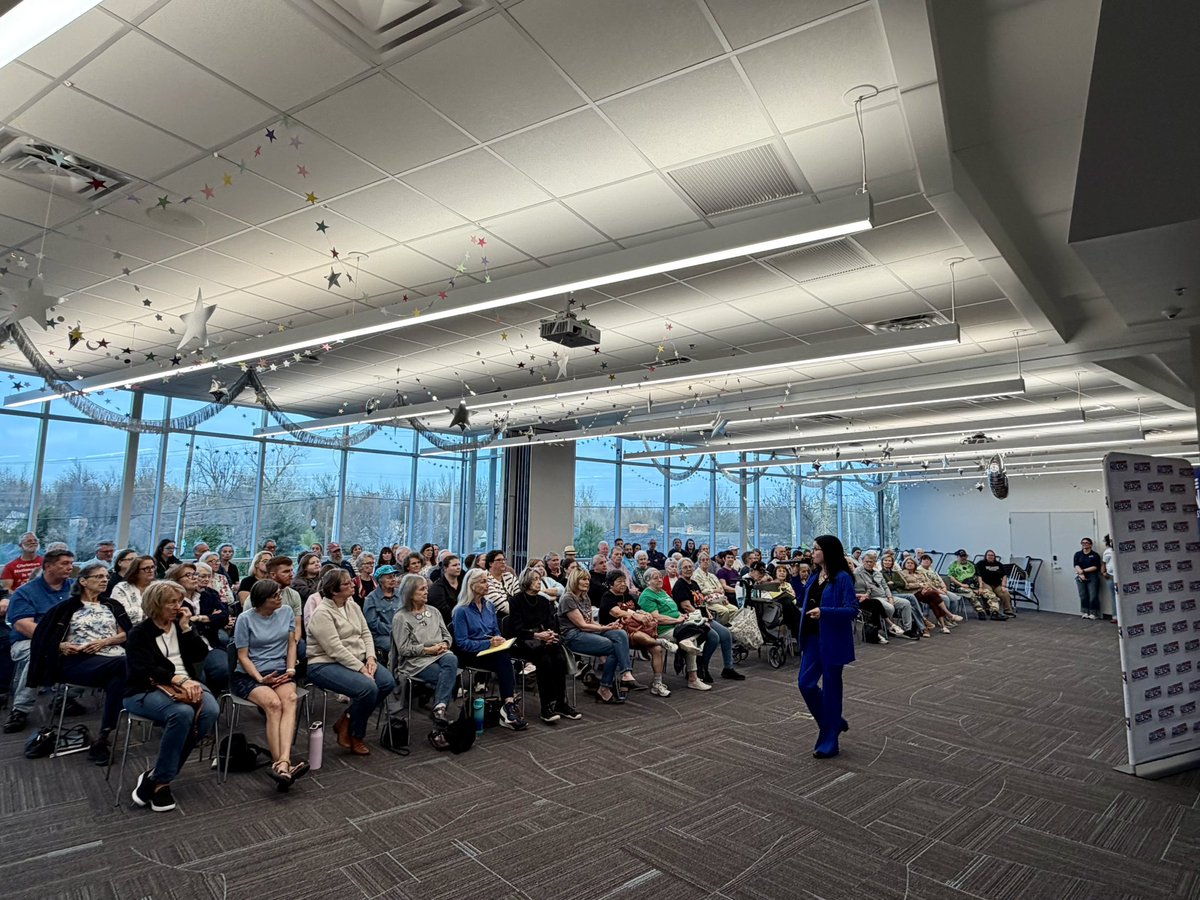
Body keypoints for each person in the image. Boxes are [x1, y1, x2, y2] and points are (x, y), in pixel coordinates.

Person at [124, 580, 220, 812]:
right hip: (145, 689)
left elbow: (199, 655)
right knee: (182, 713)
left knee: (211, 711)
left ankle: (156, 776)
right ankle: (163, 783)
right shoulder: (139, 633)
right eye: (171, 602)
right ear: (156, 604)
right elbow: (143, 668)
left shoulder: (180, 625)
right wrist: (177, 679)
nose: (177, 606)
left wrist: (187, 629)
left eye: (179, 601)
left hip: (187, 684)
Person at [26, 562, 131, 765]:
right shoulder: (66, 608)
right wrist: (61, 645)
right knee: (125, 666)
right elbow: (42, 638)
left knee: (119, 675)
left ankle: (103, 738)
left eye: (106, 577)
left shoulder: (112, 606)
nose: (104, 580)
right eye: (98, 577)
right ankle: (105, 737)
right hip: (78, 661)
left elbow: (129, 633)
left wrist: (106, 641)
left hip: (113, 658)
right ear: (83, 581)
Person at [307, 568, 395, 755]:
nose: (352, 585)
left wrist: (371, 658)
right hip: (324, 663)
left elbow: (365, 633)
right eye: (346, 583)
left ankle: (347, 718)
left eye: (351, 581)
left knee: (387, 683)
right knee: (368, 688)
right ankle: (357, 734)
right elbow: (334, 649)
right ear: (333, 590)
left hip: (358, 658)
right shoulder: (322, 613)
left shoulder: (352, 604)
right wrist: (362, 668)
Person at [233, 579, 307, 789]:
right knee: (273, 705)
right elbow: (243, 656)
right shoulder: (245, 619)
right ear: (262, 600)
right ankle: (282, 765)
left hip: (280, 671)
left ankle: (282, 763)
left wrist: (291, 669)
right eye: (275, 596)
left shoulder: (286, 612)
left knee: (290, 699)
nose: (280, 598)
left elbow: (291, 645)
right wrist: (260, 679)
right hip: (251, 674)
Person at [792, 535, 859, 760]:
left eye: (817, 549)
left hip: (832, 639)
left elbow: (851, 610)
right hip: (812, 637)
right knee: (805, 684)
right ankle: (834, 722)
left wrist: (825, 612)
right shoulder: (814, 576)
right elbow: (805, 600)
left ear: (829, 552)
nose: (813, 552)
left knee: (831, 688)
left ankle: (829, 737)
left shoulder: (842, 579)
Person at [4, 547, 76, 733]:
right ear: (48, 567)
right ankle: (20, 709)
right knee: (41, 653)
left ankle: (65, 698)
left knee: (99, 653)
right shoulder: (26, 592)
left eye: (71, 563)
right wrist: (54, 643)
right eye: (64, 563)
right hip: (27, 642)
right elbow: (23, 626)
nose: (70, 567)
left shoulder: (75, 588)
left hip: (69, 640)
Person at [452, 569, 527, 730]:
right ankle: (508, 704)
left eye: (487, 581)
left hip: (491, 651)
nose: (488, 585)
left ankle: (508, 703)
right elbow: (462, 643)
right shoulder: (461, 611)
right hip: (470, 654)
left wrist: (498, 640)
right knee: (503, 657)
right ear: (472, 586)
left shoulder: (489, 606)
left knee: (504, 654)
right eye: (484, 582)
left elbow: (495, 631)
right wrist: (489, 644)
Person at [391, 573, 459, 736]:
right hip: (416, 661)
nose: (426, 592)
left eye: (426, 588)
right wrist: (428, 650)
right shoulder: (401, 617)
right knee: (448, 677)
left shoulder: (434, 611)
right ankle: (441, 714)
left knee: (451, 658)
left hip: (440, 654)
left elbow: (447, 634)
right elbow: (403, 649)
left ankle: (439, 708)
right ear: (410, 593)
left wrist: (445, 644)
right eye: (422, 589)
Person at [505, 568, 575, 723]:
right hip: (523, 641)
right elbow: (516, 629)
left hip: (542, 639)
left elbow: (551, 623)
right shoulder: (516, 601)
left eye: (539, 579)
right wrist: (537, 636)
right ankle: (546, 706)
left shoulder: (543, 601)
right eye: (535, 579)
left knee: (559, 657)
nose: (539, 582)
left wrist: (550, 635)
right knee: (544, 660)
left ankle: (560, 702)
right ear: (527, 581)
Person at [560, 567, 638, 702]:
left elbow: (590, 622)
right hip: (572, 636)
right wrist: (603, 629)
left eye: (588, 580)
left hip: (587, 633)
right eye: (583, 579)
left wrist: (606, 627)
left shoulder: (585, 598)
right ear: (574, 580)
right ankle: (605, 687)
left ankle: (625, 672)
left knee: (619, 633)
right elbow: (582, 625)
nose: (587, 582)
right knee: (614, 647)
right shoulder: (568, 598)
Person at [599, 569, 669, 697]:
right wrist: (636, 615)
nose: (623, 584)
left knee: (657, 649)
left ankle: (657, 684)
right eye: (619, 581)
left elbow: (639, 609)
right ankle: (663, 641)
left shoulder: (628, 596)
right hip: (617, 632)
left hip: (635, 629)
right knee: (637, 636)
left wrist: (644, 614)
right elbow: (617, 612)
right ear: (611, 584)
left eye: (624, 581)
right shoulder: (607, 597)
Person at [671, 559, 743, 683]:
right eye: (685, 567)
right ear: (680, 571)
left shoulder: (693, 583)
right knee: (714, 637)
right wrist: (702, 618)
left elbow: (701, 601)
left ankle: (728, 668)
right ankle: (702, 666)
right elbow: (686, 606)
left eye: (690, 566)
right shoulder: (680, 585)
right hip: (691, 620)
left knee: (726, 634)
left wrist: (707, 612)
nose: (688, 569)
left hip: (703, 616)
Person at [853, 551, 915, 641]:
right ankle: (889, 628)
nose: (869, 564)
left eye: (871, 562)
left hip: (885, 596)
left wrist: (890, 597)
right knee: (890, 608)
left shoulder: (877, 572)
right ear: (863, 561)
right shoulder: (858, 572)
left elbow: (885, 586)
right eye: (867, 561)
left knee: (906, 603)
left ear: (875, 562)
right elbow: (865, 587)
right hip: (874, 597)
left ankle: (907, 629)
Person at [899, 557, 958, 634]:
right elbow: (906, 585)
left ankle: (943, 626)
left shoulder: (919, 572)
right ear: (904, 564)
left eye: (912, 563)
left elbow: (927, 582)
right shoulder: (901, 573)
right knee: (934, 594)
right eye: (908, 563)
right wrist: (920, 585)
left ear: (915, 564)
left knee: (934, 602)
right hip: (913, 593)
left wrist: (925, 587)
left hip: (924, 592)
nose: (910, 564)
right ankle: (948, 615)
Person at [362, 564, 402, 660]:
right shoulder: (371, 598)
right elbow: (373, 624)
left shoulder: (401, 593)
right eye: (389, 577)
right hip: (382, 635)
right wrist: (394, 630)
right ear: (380, 580)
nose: (393, 579)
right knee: (398, 646)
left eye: (394, 576)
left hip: (401, 632)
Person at [110, 555, 154, 625]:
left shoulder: (158, 587)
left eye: (152, 567)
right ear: (135, 571)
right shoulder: (121, 588)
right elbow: (123, 614)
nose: (151, 571)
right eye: (146, 568)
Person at [1074, 537, 1103, 620]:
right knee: (1083, 594)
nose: (1084, 544)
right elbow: (1076, 565)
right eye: (1083, 543)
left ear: (1090, 544)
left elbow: (1095, 567)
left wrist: (1083, 571)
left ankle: (1094, 613)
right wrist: (1080, 574)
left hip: (1092, 576)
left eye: (1086, 543)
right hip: (1080, 576)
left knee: (1093, 595)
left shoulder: (1095, 555)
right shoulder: (1078, 554)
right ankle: (1085, 611)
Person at [427, 555, 461, 625]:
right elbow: (443, 611)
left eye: (459, 564)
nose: (458, 567)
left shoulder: (463, 584)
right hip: (446, 623)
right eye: (454, 565)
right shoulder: (437, 588)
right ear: (445, 568)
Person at [484, 550, 518, 616]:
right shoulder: (485, 579)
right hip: (498, 617)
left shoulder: (509, 576)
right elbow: (500, 604)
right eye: (499, 560)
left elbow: (520, 596)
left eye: (504, 559)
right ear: (490, 563)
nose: (503, 562)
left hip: (516, 614)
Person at [1100, 536, 1117, 617]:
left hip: (1122, 576)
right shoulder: (1108, 551)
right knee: (1114, 596)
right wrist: (1103, 572)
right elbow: (1103, 563)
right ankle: (1115, 616)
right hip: (1111, 576)